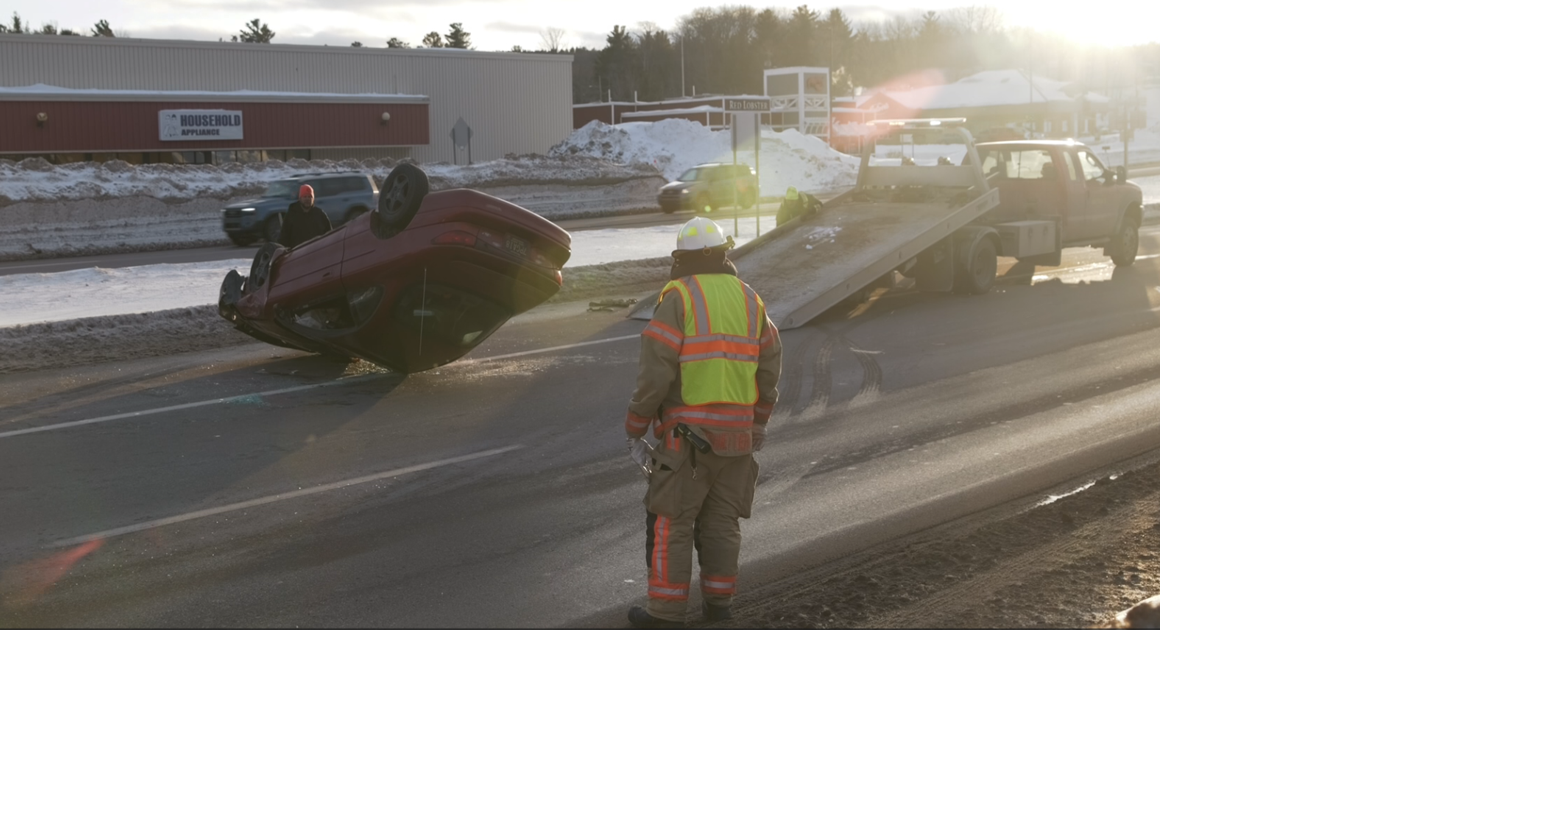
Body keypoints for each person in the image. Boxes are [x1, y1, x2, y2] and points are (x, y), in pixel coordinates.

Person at [624, 216, 782, 628]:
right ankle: (719, 608)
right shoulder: (749, 298)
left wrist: (636, 427)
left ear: (680, 257)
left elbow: (655, 371)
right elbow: (770, 363)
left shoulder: (679, 296)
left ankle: (665, 614)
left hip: (688, 440)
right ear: (724, 254)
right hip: (738, 439)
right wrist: (759, 421)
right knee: (721, 524)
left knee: (671, 523)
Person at [277, 183, 332, 248]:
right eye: (305, 196)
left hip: (316, 250)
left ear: (313, 199)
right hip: (297, 251)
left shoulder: (320, 214)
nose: (307, 199)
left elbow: (329, 235)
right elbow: (284, 236)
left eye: (310, 197)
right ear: (300, 198)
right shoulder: (292, 214)